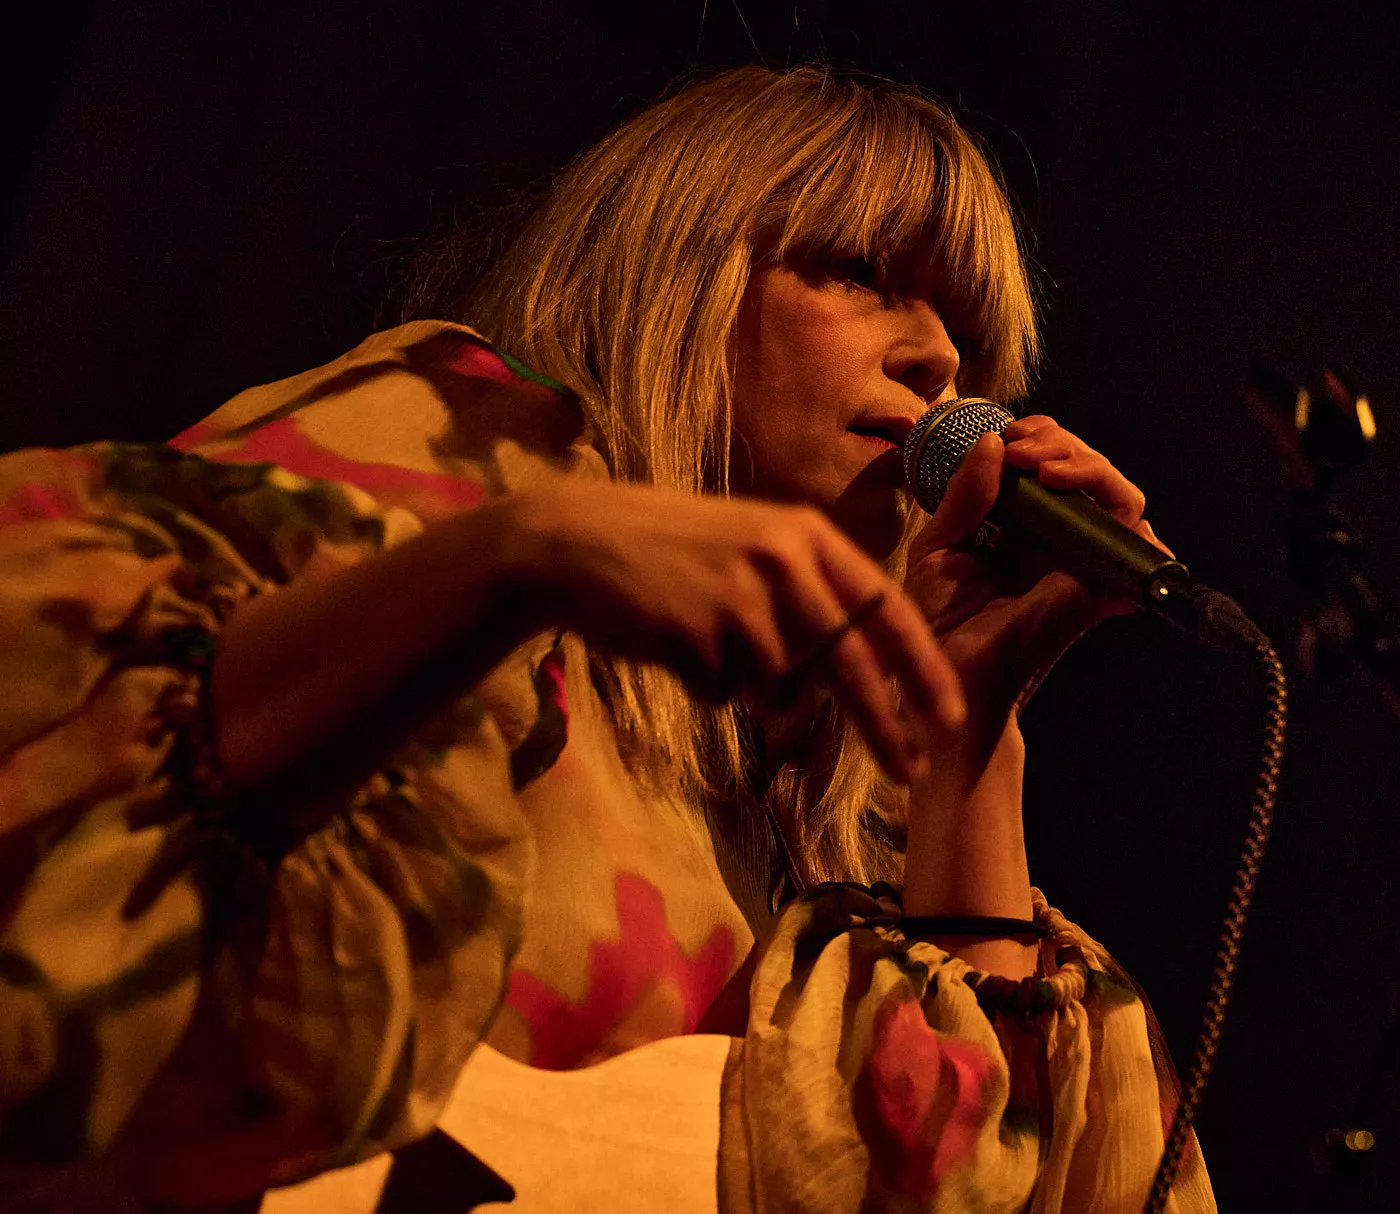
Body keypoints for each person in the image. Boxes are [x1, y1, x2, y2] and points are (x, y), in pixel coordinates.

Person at [0, 65, 1215, 1211]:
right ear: (676, 276)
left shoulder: (819, 808)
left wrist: (967, 743)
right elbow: (67, 744)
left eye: (963, 329)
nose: (938, 355)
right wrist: (521, 556)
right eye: (859, 270)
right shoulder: (453, 458)